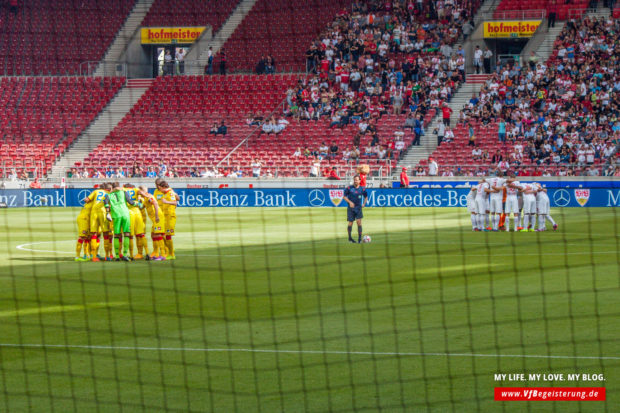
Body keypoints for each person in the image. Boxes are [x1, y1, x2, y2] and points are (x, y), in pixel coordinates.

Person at [104, 182, 139, 261]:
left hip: (116, 215)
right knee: (127, 234)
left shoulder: (108, 195)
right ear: (119, 186)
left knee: (116, 235)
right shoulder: (124, 192)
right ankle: (125, 254)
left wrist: (107, 213)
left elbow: (106, 203)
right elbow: (131, 202)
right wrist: (139, 204)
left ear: (112, 187)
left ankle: (117, 256)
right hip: (125, 214)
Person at [139, 186, 166, 260]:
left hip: (158, 218)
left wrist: (157, 216)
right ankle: (156, 253)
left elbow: (156, 204)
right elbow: (141, 207)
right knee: (153, 235)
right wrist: (138, 201)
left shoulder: (149, 197)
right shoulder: (144, 199)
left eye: (139, 191)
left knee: (158, 234)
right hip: (154, 219)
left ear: (142, 191)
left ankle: (163, 255)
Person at [154, 180, 178, 260]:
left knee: (168, 236)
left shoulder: (170, 192)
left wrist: (166, 201)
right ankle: (169, 253)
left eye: (160, 188)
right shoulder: (165, 193)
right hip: (165, 216)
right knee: (163, 235)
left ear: (164, 187)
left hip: (170, 217)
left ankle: (172, 254)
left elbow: (175, 203)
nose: (159, 190)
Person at [124, 184, 147, 260]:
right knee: (141, 234)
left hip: (129, 213)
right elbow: (143, 193)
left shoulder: (123, 190)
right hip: (138, 213)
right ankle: (146, 253)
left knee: (130, 236)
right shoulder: (136, 189)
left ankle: (131, 255)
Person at [343, 174, 368, 243]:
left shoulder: (362, 189)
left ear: (360, 181)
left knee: (359, 222)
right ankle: (350, 238)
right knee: (350, 223)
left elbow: (366, 197)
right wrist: (350, 202)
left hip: (358, 208)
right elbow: (344, 197)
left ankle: (359, 239)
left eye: (356, 180)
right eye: (354, 180)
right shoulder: (349, 188)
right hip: (351, 209)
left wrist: (364, 204)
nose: (355, 181)